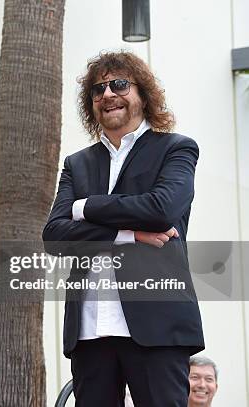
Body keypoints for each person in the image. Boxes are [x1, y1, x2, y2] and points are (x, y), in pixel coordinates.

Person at [42, 50, 204, 406]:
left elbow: (161, 209)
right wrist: (128, 233)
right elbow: (54, 236)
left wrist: (86, 207)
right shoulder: (77, 164)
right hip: (89, 330)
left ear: (143, 95)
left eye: (119, 84)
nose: (107, 95)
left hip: (157, 325)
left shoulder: (176, 149)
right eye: (98, 90)